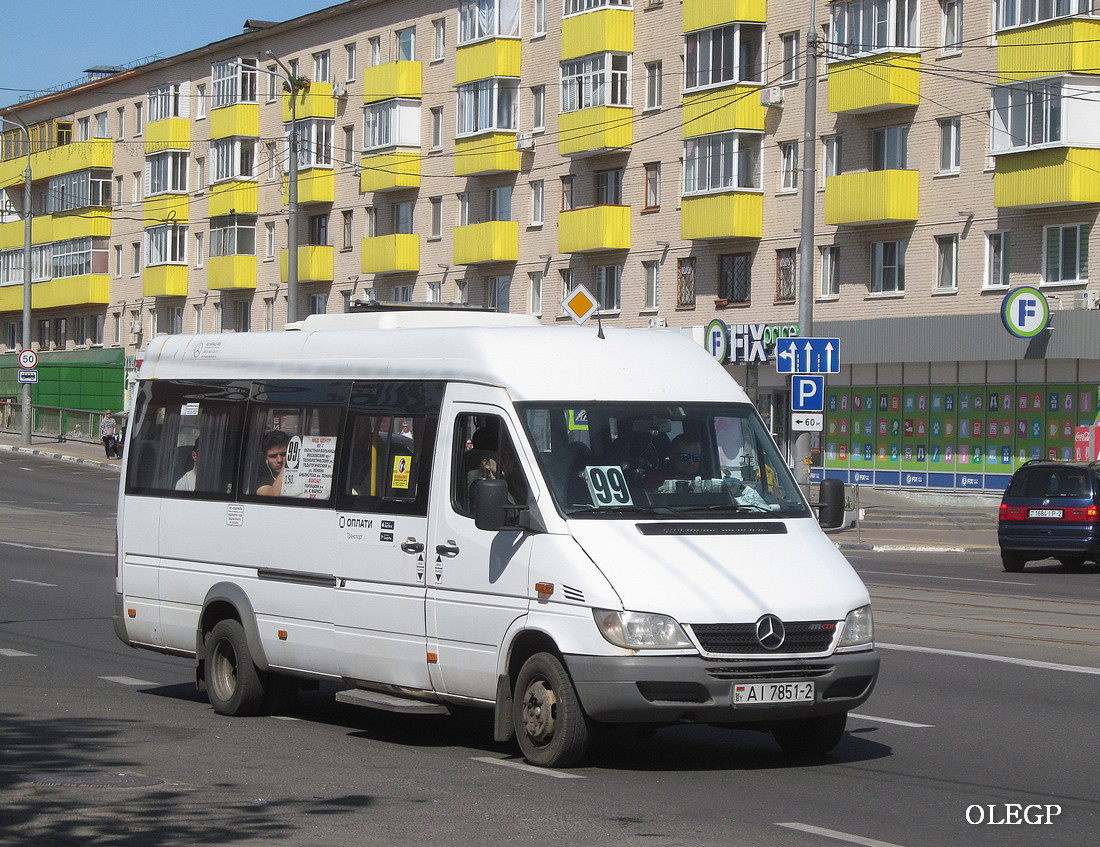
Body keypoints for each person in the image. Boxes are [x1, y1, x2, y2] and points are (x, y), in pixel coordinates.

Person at [255, 430, 289, 496]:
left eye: (283, 454)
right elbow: (274, 495)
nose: (279, 460)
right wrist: (287, 465)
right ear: (265, 458)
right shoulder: (261, 479)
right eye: (273, 456)